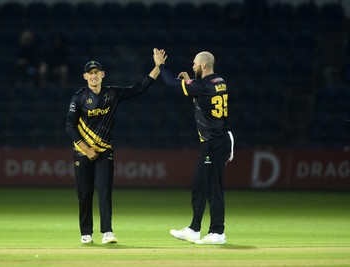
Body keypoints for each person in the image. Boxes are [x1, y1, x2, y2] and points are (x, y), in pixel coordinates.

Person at [65, 57, 160, 244]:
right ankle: (86, 233)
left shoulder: (113, 94)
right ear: (85, 76)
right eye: (90, 73)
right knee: (84, 194)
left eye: (96, 73)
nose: (93, 76)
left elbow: (139, 88)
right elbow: (70, 126)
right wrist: (86, 149)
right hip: (83, 152)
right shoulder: (78, 98)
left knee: (105, 191)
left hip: (104, 152)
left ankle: (107, 232)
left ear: (103, 75)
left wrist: (157, 67)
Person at [153, 48, 234, 245]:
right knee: (199, 184)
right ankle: (194, 229)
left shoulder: (202, 85)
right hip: (219, 140)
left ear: (203, 65)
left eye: (195, 63)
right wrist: (191, 82)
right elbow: (203, 96)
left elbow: (171, 82)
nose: (193, 66)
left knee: (214, 187)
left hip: (214, 143)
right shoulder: (219, 81)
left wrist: (160, 64)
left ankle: (217, 232)